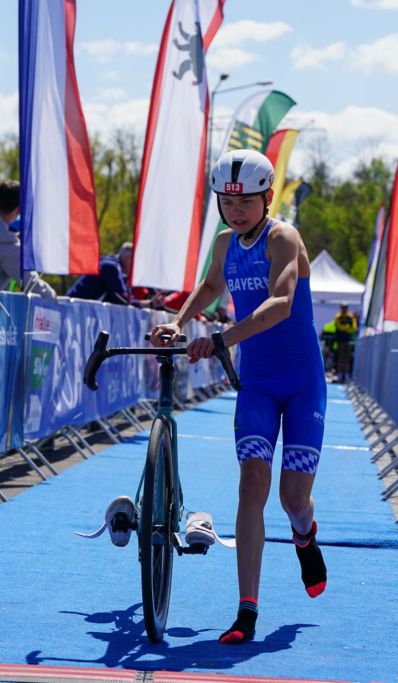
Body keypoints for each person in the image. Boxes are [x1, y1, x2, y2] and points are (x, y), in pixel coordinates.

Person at [148, 149, 327, 644]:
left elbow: (281, 304)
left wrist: (223, 337)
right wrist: (177, 322)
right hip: (257, 382)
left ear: (267, 197)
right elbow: (209, 285)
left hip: (302, 379)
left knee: (293, 498)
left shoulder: (283, 237)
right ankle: (246, 611)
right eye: (228, 203)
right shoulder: (225, 241)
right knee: (252, 483)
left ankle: (304, 532)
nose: (236, 211)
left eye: (246, 201)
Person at [67, 243, 133, 304]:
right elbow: (121, 297)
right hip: (74, 308)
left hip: (73, 306)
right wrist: (139, 304)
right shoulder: (111, 266)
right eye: (133, 262)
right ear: (128, 259)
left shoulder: (107, 263)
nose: (134, 267)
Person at [333, 304, 357, 382]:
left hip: (347, 340)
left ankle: (346, 375)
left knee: (347, 358)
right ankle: (340, 374)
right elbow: (339, 327)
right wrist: (347, 327)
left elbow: (353, 328)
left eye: (345, 307)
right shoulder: (338, 316)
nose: (344, 309)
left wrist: (346, 329)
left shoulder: (350, 316)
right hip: (340, 340)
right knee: (340, 358)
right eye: (343, 307)